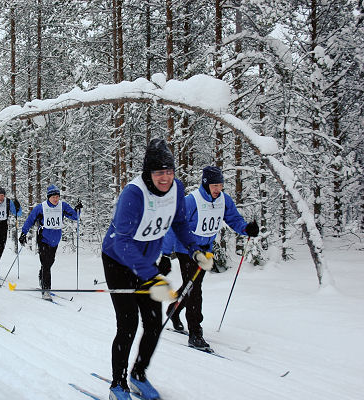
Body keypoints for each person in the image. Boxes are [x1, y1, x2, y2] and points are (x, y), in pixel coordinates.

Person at [101, 138, 209, 400]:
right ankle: (118, 384)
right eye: (159, 172)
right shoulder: (133, 194)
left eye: (169, 171)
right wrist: (152, 277)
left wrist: (195, 249)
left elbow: (180, 223)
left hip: (146, 262)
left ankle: (138, 374)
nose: (165, 178)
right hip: (118, 261)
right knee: (128, 323)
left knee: (153, 323)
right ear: (148, 173)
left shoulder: (176, 189)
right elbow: (122, 243)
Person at [162, 166, 259, 350]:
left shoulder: (224, 200)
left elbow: (234, 219)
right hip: (187, 250)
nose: (218, 189)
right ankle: (195, 334)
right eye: (214, 185)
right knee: (195, 290)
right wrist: (166, 254)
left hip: (207, 250)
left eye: (220, 185)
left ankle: (174, 310)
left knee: (192, 285)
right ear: (206, 184)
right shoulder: (191, 201)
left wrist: (246, 229)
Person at [19, 184, 81, 300]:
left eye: (57, 196)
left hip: (55, 239)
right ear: (48, 197)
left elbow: (74, 217)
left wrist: (77, 210)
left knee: (49, 262)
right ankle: (46, 290)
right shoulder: (40, 207)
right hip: (43, 238)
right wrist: (23, 233)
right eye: (53, 197)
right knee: (46, 264)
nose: (55, 199)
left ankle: (42, 275)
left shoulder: (63, 206)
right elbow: (30, 219)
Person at [0, 187, 21, 283]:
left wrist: (18, 206)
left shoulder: (8, 202)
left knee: (0, 250)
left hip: (3, 227)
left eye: (2, 195)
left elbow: (17, 213)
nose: (1, 198)